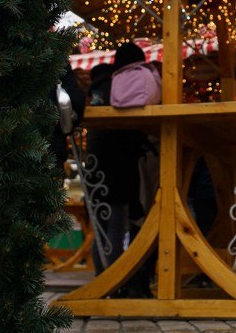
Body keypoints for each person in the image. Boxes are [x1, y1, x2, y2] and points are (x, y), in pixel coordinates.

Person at [84, 44, 152, 294]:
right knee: (115, 225)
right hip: (117, 165)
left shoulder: (100, 90)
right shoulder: (117, 86)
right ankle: (112, 281)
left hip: (97, 165)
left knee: (103, 226)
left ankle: (105, 279)